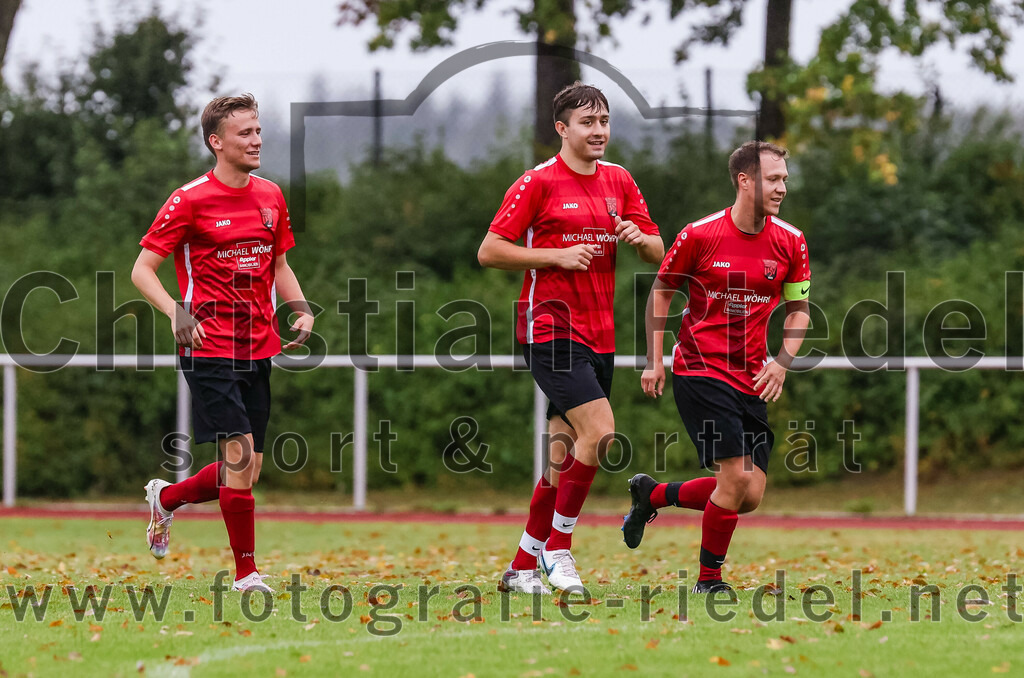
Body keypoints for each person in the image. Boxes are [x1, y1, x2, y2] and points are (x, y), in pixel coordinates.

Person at [478, 82, 664, 594]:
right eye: (587, 122)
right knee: (601, 432)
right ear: (562, 129)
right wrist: (554, 256)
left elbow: (658, 250)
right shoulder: (537, 182)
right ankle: (558, 550)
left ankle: (520, 567)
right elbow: (490, 250)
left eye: (604, 120)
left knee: (563, 459)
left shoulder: (620, 180)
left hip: (600, 335)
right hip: (549, 328)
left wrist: (639, 239)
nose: (599, 130)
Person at [131, 93, 313, 593]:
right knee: (239, 456)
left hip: (258, 345)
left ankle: (167, 500)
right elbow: (142, 270)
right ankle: (246, 574)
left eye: (257, 131)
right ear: (217, 142)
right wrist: (176, 311)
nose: (256, 140)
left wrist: (299, 307)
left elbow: (277, 264)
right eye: (244, 133)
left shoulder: (271, 195)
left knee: (247, 466)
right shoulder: (188, 199)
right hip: (207, 345)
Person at [622, 141, 811, 594]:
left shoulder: (792, 241)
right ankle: (709, 580)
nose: (782, 186)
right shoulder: (699, 235)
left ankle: (653, 494)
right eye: (773, 178)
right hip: (699, 370)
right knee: (736, 478)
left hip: (752, 375)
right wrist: (654, 360)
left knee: (749, 495)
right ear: (745, 180)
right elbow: (662, 293)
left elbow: (800, 309)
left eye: (784, 178)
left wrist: (782, 363)